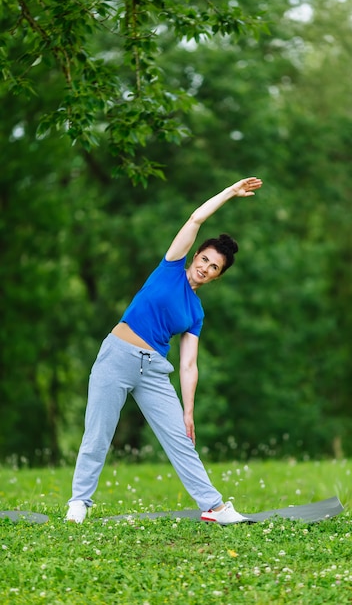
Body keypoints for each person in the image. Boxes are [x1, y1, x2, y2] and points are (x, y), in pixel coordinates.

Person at [66, 176, 263, 525]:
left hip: (154, 371)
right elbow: (195, 219)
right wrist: (231, 193)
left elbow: (189, 365)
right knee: (98, 434)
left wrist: (188, 410)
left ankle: (214, 508)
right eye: (204, 259)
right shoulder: (170, 267)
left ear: (217, 277)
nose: (205, 267)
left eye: (214, 268)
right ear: (195, 256)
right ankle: (79, 502)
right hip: (117, 357)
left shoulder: (196, 313)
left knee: (181, 440)